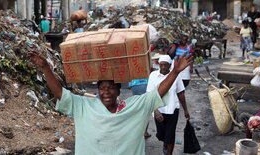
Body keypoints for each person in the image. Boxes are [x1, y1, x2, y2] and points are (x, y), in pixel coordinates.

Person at [27, 51, 193, 155]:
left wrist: (176, 72)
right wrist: (46, 68)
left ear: (119, 91)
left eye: (111, 88)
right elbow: (59, 93)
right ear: (98, 91)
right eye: (102, 88)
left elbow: (158, 92)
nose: (106, 91)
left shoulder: (133, 107)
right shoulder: (84, 106)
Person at [147, 55, 190, 155]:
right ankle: (165, 143)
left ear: (170, 65)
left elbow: (181, 93)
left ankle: (169, 152)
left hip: (172, 109)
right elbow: (149, 95)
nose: (163, 68)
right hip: (159, 110)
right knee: (161, 135)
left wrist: (186, 110)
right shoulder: (153, 75)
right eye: (161, 65)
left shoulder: (176, 75)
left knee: (170, 134)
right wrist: (155, 111)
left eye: (165, 65)